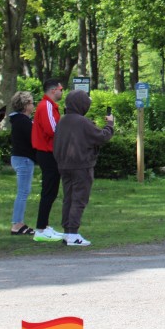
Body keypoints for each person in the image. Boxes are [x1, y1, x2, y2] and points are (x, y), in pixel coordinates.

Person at [52, 91, 114, 246]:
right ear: (82, 104)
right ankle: (73, 234)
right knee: (79, 199)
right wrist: (110, 125)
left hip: (64, 165)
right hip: (81, 166)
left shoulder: (62, 120)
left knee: (68, 198)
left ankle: (67, 232)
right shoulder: (82, 122)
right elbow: (102, 137)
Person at [31, 78, 65, 242]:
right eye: (61, 89)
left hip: (49, 152)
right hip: (47, 152)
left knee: (51, 191)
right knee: (48, 191)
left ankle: (44, 226)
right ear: (53, 90)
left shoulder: (49, 106)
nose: (62, 92)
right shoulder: (46, 106)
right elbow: (52, 129)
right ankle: (40, 229)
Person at [8, 91, 37, 235]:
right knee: (23, 192)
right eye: (31, 102)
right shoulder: (23, 121)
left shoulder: (19, 120)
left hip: (19, 158)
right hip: (24, 159)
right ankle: (17, 224)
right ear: (25, 105)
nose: (33, 105)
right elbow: (33, 139)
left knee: (23, 191)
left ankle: (18, 223)